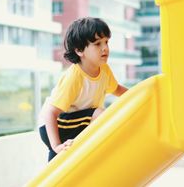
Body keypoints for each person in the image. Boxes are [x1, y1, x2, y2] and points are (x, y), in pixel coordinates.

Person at [38, 17, 127, 161]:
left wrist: (139, 96)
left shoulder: (104, 70)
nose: (105, 48)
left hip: (76, 121)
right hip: (55, 125)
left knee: (59, 164)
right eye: (98, 44)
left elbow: (117, 89)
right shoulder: (74, 77)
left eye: (106, 42)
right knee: (100, 114)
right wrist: (56, 146)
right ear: (79, 50)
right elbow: (50, 113)